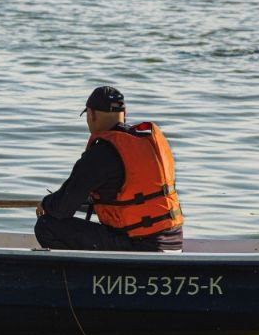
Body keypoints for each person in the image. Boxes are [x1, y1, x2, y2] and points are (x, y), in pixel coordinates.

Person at [34, 86, 183, 252]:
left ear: (91, 114)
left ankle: (77, 276)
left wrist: (46, 203)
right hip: (173, 243)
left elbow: (62, 209)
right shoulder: (148, 144)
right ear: (124, 114)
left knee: (47, 225)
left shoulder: (101, 154)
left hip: (140, 247)